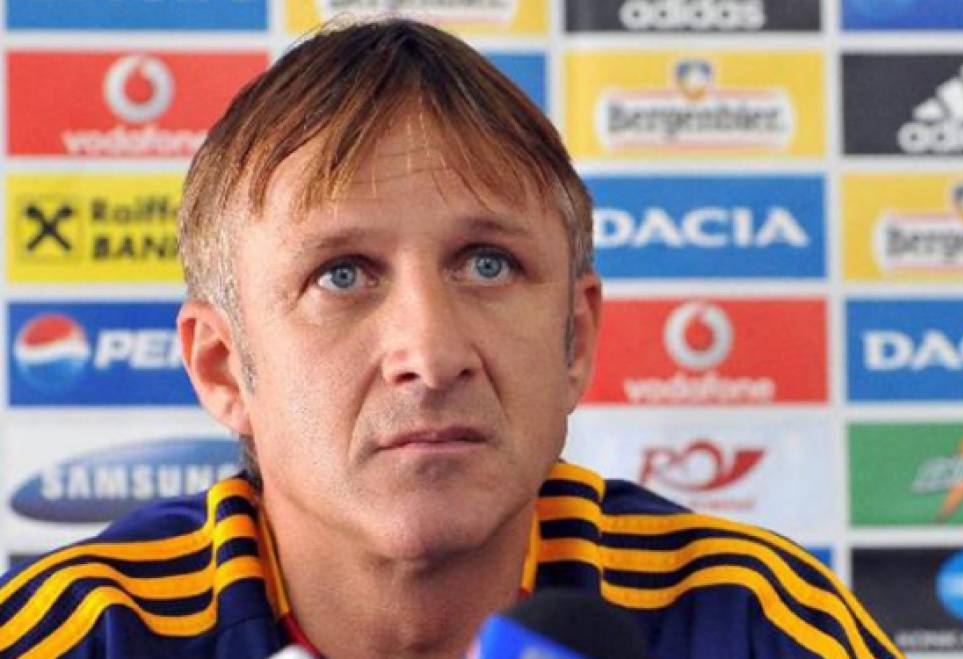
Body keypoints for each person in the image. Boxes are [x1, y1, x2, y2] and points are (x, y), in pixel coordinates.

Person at [0, 18, 900, 659]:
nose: (430, 356)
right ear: (223, 367)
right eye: (342, 275)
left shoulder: (756, 624)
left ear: (575, 337)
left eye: (487, 265)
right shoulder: (79, 635)